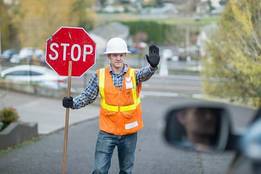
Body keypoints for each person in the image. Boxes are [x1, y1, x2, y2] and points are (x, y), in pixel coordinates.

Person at [62, 37, 160, 174]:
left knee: (126, 171)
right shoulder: (100, 75)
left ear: (125, 55)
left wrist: (152, 67)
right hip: (107, 131)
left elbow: (145, 74)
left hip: (129, 132)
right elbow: (87, 96)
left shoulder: (134, 75)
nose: (118, 58)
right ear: (109, 56)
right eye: (115, 55)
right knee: (99, 170)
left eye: (121, 55)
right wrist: (73, 103)